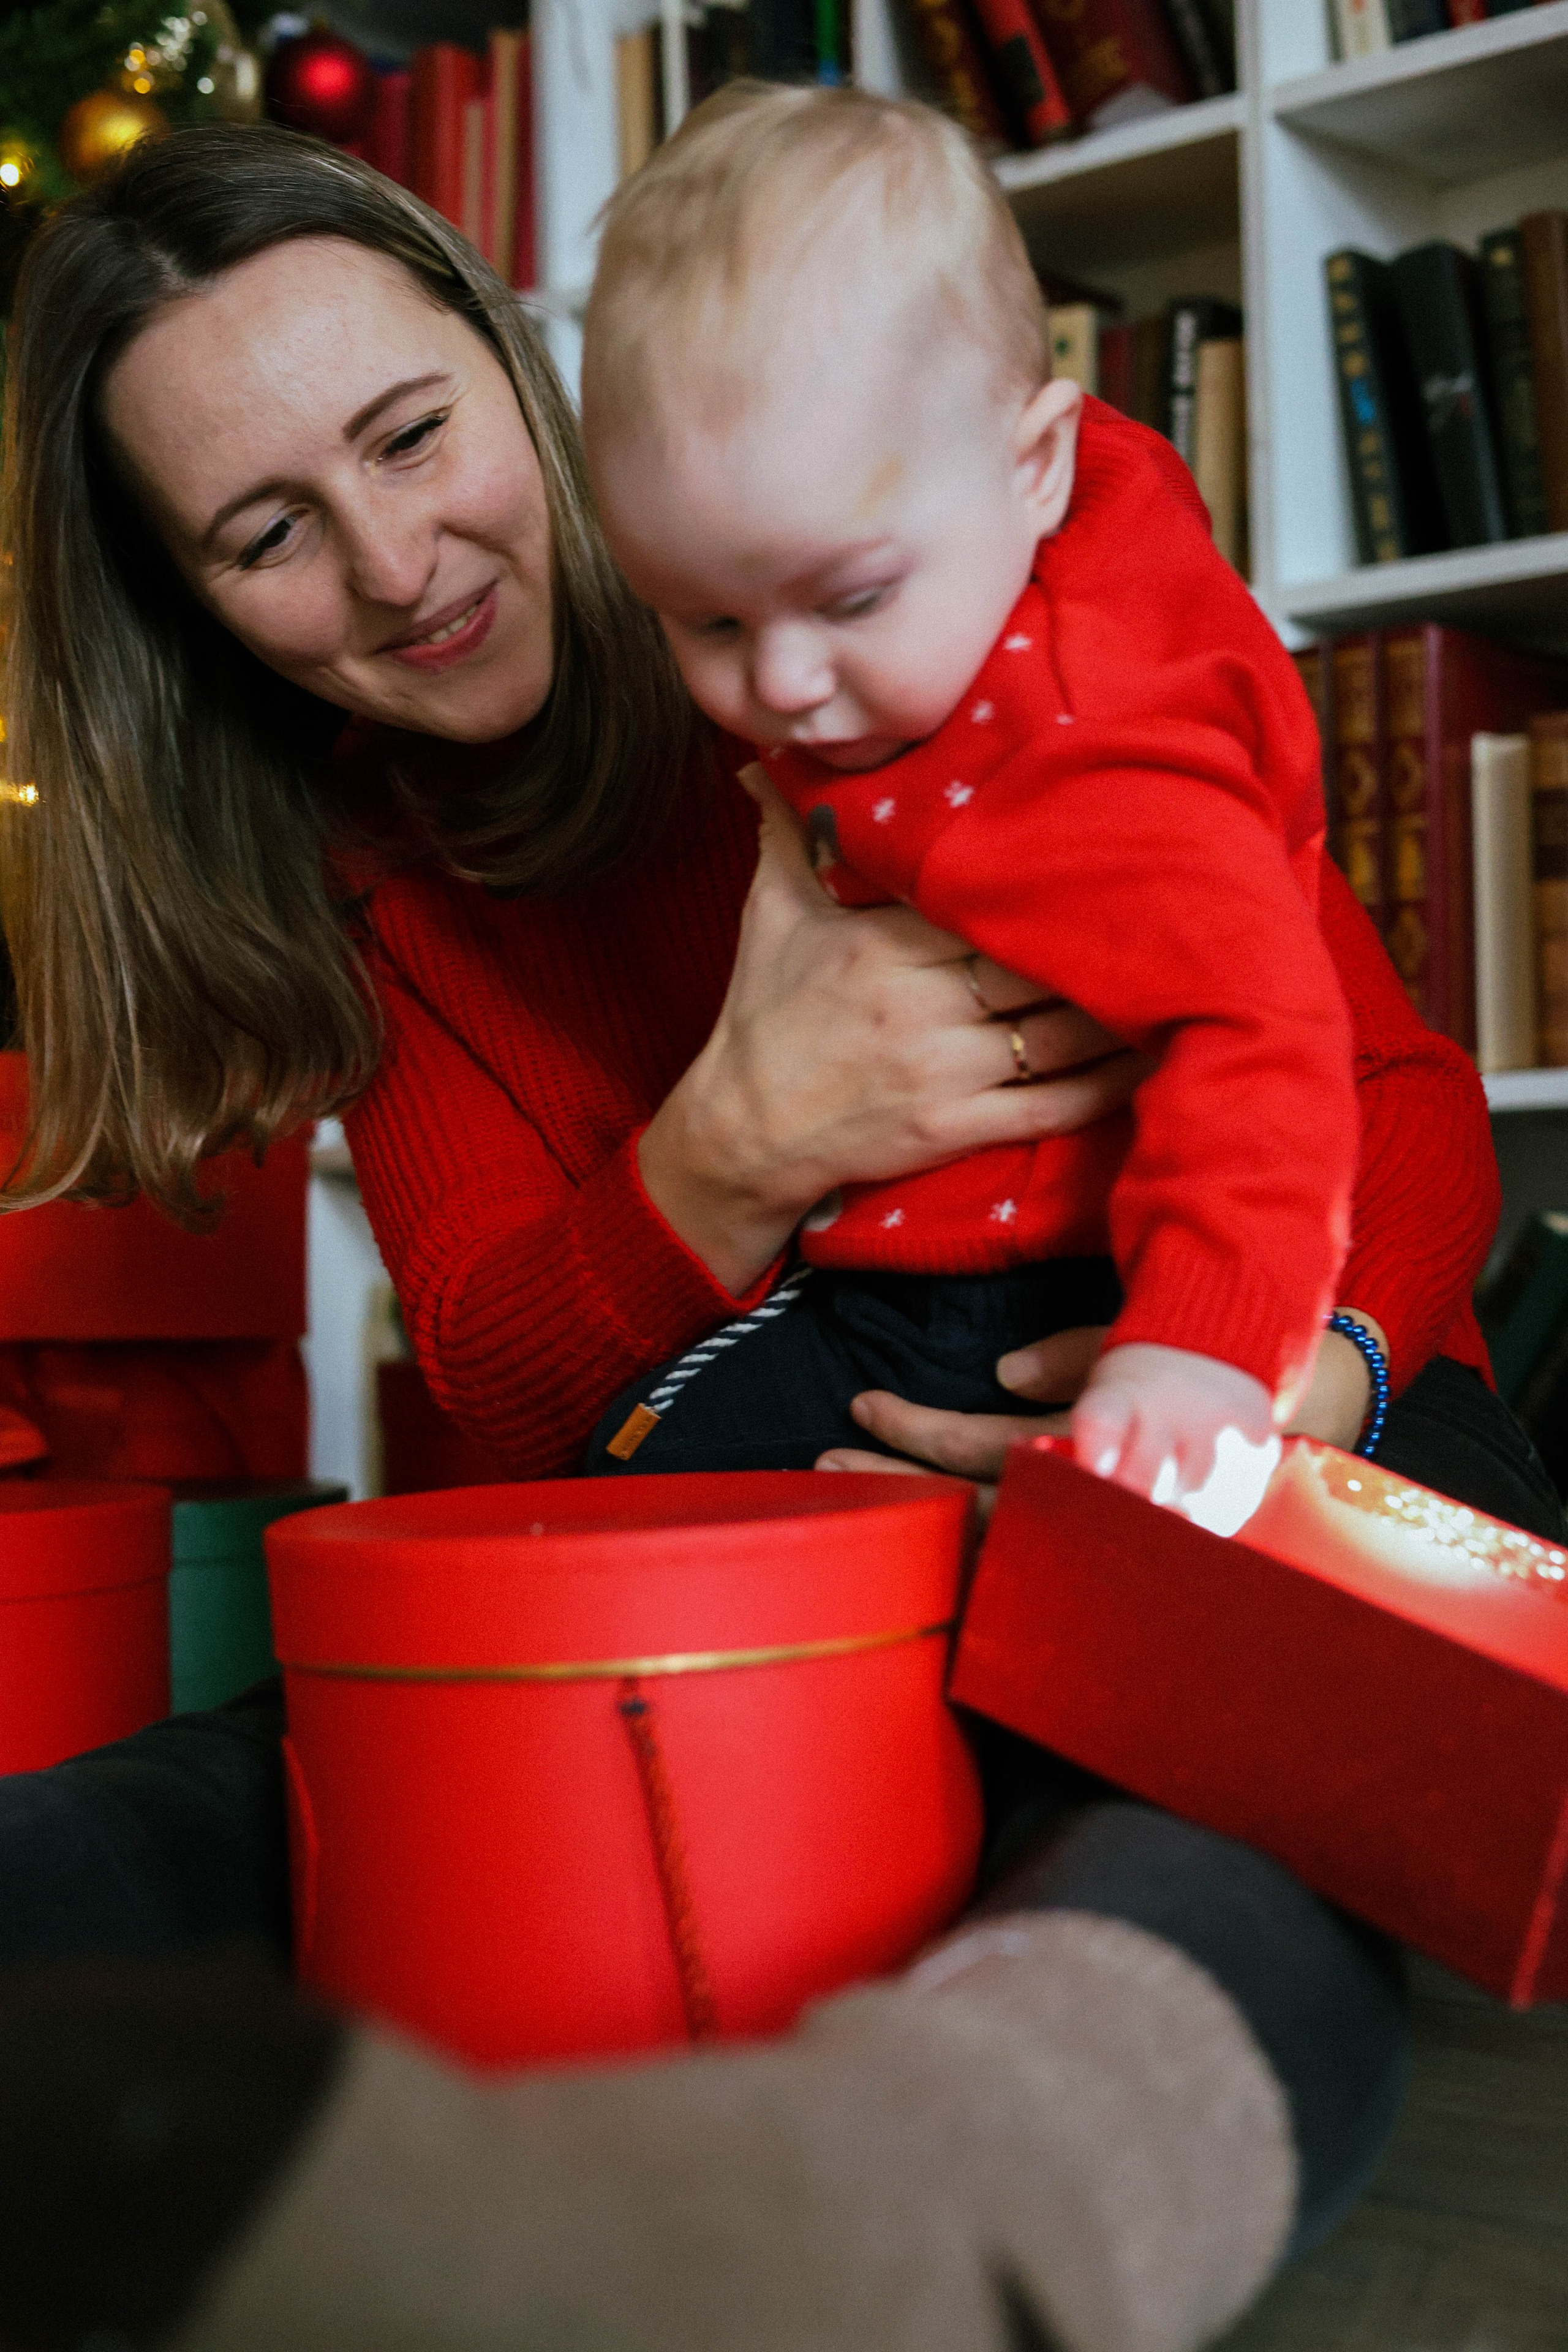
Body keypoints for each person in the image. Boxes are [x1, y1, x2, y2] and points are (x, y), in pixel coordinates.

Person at [0, 120, 1556, 2350]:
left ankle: (884, 2231)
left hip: (1267, 1435)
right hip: (807, 1540)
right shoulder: (375, 875)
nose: (396, 559)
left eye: (415, 433)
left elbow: (1399, 1112)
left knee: (1230, 1782)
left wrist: (1235, 1409)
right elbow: (513, 1396)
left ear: (517, 370)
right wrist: (728, 1150)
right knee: (289, 1751)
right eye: (266, 535)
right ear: (189, 603)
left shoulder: (937, 578)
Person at [577, 83, 1352, 1537]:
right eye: (705, 623)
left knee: (644, 1519)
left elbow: (1263, 1031)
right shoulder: (955, 546)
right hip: (900, 1262)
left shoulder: (1091, 743)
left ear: (1037, 462)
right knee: (616, 1494)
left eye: (849, 597)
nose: (785, 682)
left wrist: (1199, 1354)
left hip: (1043, 1295)